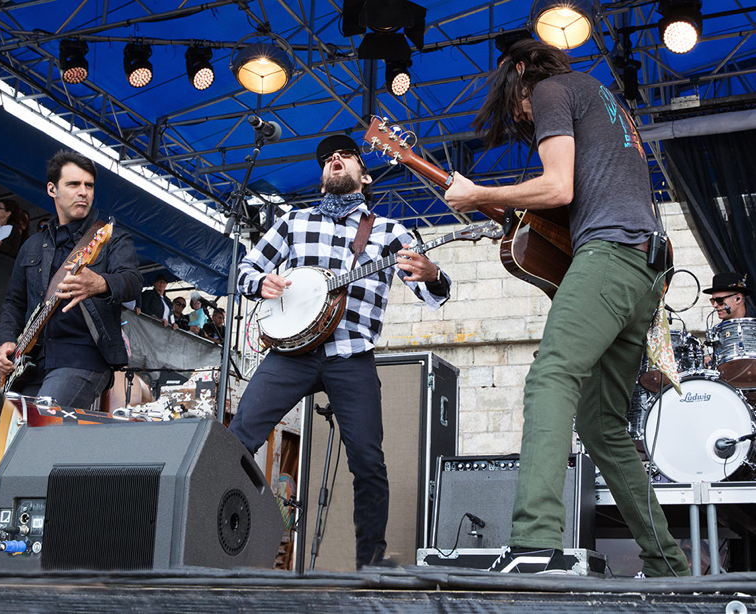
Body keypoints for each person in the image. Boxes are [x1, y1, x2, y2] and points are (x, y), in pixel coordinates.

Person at [444, 39, 689, 577]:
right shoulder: (605, 102)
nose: (521, 118)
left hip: (612, 256)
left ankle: (534, 541)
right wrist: (510, 216)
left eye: (516, 108)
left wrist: (481, 191)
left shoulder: (551, 88)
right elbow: (577, 201)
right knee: (602, 427)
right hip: (646, 275)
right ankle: (668, 566)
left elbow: (557, 186)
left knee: (550, 376)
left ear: (520, 71)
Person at [228, 134, 451, 569]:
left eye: (345, 155)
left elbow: (433, 296)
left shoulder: (389, 233)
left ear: (363, 177)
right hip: (291, 351)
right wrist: (262, 284)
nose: (334, 159)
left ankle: (369, 564)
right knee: (237, 440)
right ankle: (218, 539)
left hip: (351, 355)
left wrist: (433, 272)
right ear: (322, 176)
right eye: (327, 157)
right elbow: (246, 270)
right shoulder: (293, 221)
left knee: (368, 463)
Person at [0, 149, 142, 408]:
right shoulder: (32, 246)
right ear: (53, 189)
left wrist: (100, 283)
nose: (83, 191)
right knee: (5, 438)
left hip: (82, 358)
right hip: (30, 363)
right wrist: (5, 341)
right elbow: (14, 303)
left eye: (89, 185)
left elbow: (132, 281)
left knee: (38, 428)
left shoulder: (110, 238)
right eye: (73, 184)